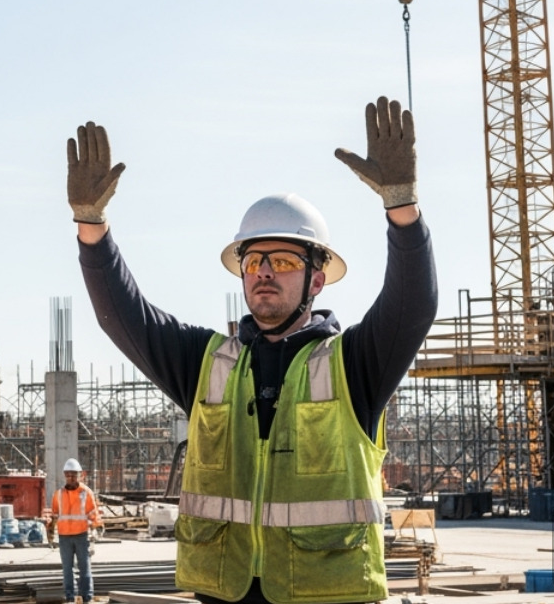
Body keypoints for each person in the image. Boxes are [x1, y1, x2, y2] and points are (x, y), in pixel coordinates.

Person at [66, 97, 437, 604]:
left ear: (317, 280)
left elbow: (413, 305)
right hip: (225, 593)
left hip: (327, 596)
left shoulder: (353, 365)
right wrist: (91, 226)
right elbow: (124, 317)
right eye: (253, 260)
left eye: (282, 260)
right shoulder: (209, 364)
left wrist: (402, 209)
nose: (264, 271)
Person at [49, 457, 101, 604]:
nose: (70, 478)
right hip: (64, 536)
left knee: (84, 568)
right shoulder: (59, 494)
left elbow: (93, 514)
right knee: (67, 570)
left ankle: (87, 597)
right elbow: (54, 515)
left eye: (73, 474)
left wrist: (95, 533)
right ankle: (70, 597)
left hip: (82, 535)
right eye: (68, 475)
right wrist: (50, 533)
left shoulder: (86, 493)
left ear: (80, 475)